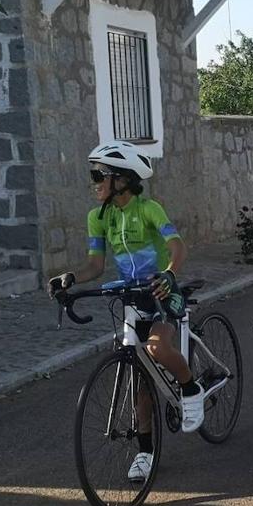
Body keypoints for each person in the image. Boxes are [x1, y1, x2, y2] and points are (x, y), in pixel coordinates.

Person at [47, 142, 203, 483]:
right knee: (139, 375)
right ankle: (145, 452)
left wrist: (169, 274)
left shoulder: (149, 209)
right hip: (131, 296)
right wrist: (71, 278)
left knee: (157, 348)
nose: (94, 183)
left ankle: (191, 388)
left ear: (122, 180)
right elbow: (95, 265)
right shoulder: (98, 217)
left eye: (98, 176)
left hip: (161, 292)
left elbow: (177, 247)